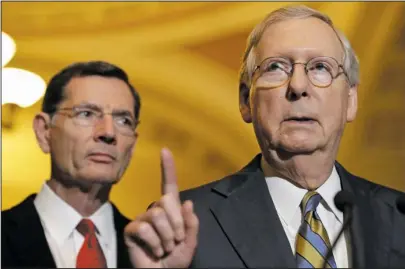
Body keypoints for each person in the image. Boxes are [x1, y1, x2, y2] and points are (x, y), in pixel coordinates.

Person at [124, 5, 405, 268]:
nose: (297, 85)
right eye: (276, 67)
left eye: (320, 67)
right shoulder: (188, 225)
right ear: (246, 99)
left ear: (351, 100)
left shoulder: (398, 217)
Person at [2, 61, 141, 268]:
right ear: (44, 131)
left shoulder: (150, 250)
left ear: (132, 145)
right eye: (86, 114)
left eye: (124, 121)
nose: (109, 133)